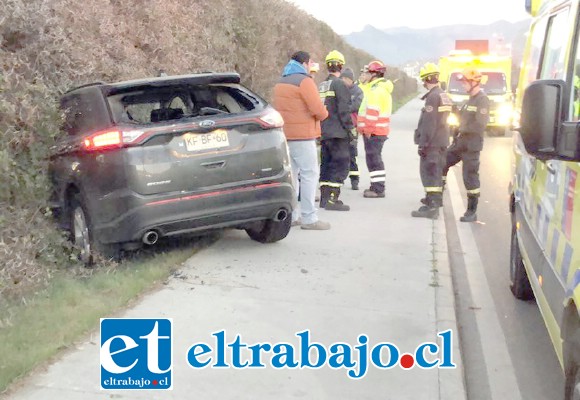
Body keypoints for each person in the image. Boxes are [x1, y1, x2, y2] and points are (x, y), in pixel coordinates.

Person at [273, 51, 330, 230]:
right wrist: (325, 112)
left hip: (285, 135)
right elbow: (318, 110)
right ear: (305, 63)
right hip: (303, 136)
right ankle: (309, 218)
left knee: (293, 177)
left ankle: (294, 215)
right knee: (309, 174)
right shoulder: (305, 81)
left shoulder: (281, 82)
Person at [442, 67, 490, 222]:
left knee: (470, 177)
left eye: (465, 82)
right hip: (460, 142)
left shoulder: (482, 100)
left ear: (474, 82)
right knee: (442, 162)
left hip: (471, 146)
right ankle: (436, 197)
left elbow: (480, 124)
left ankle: (471, 211)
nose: (463, 85)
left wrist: (463, 128)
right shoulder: (469, 100)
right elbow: (462, 117)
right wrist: (453, 109)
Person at [411, 62, 452, 219]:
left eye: (424, 80)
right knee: (435, 172)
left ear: (427, 79)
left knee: (430, 173)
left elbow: (429, 123)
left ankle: (432, 208)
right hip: (441, 141)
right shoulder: (443, 95)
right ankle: (431, 201)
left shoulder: (433, 97)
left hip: (432, 143)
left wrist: (423, 143)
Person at [318, 50, 354, 211]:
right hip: (338, 133)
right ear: (341, 65)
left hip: (324, 132)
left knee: (326, 164)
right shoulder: (340, 84)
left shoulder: (322, 85)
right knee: (340, 165)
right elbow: (344, 109)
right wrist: (350, 129)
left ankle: (324, 199)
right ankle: (333, 199)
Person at [357, 60, 393, 198]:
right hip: (377, 131)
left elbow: (372, 113)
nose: (365, 74)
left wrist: (367, 130)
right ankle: (375, 186)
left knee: (374, 160)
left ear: (374, 74)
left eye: (367, 72)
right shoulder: (377, 88)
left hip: (374, 132)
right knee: (373, 158)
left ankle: (378, 189)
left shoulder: (377, 91)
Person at [340, 67, 364, 190]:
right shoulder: (339, 89)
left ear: (351, 79)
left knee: (352, 153)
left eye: (345, 78)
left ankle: (355, 179)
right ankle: (340, 178)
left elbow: (356, 105)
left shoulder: (358, 91)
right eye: (342, 78)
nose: (343, 80)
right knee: (340, 153)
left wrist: (344, 107)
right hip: (340, 125)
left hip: (352, 126)